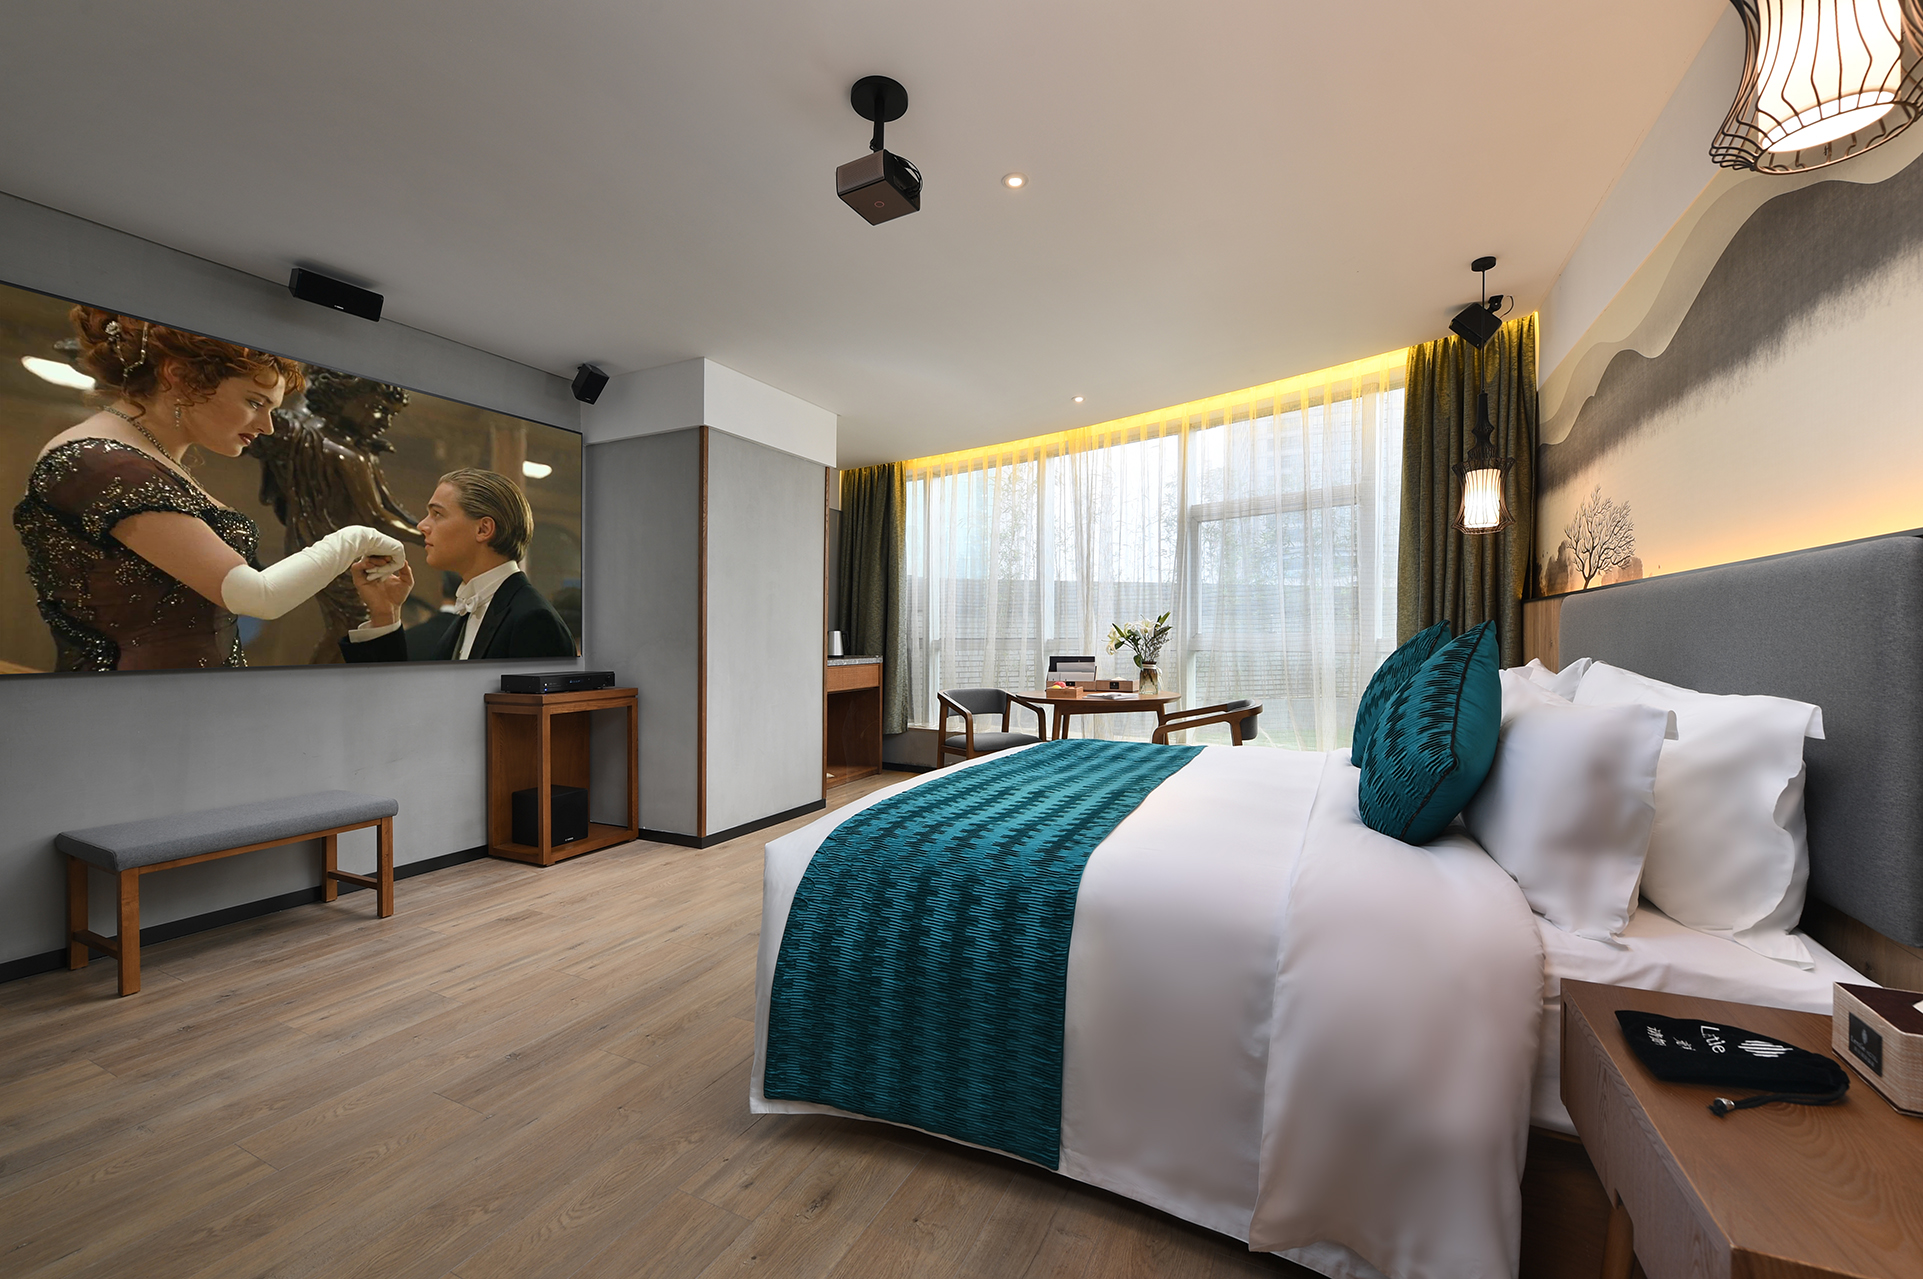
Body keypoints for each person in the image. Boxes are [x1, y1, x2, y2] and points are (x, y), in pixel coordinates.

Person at [12, 308, 408, 671]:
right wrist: (356, 539)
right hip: (134, 703)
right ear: (179, 376)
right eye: (255, 401)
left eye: (272, 408)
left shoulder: (143, 460)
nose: (268, 426)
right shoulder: (105, 463)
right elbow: (257, 596)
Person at [251, 369, 423, 662]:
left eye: (391, 414)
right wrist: (427, 536)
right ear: (342, 398)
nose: (384, 421)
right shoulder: (341, 451)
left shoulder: (357, 450)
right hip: (332, 550)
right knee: (352, 624)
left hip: (343, 551)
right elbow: (376, 517)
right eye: (379, 408)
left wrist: (424, 530)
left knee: (351, 625)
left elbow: (390, 507)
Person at [340, 467, 575, 662]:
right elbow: (411, 695)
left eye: (437, 514)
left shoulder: (533, 620)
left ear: (483, 529)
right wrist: (385, 613)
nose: (422, 525)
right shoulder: (472, 609)